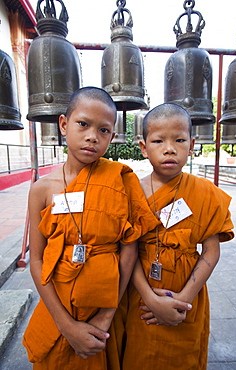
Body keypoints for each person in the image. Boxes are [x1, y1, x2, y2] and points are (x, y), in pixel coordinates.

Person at [22, 86, 159, 369]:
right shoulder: (42, 190)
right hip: (58, 308)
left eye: (104, 130)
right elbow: (36, 260)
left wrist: (106, 316)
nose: (92, 137)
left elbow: (129, 249)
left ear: (112, 135)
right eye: (83, 124)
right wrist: (66, 325)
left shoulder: (120, 179)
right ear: (63, 124)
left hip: (105, 309)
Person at [122, 103, 234, 370]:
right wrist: (150, 299)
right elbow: (128, 249)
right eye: (158, 140)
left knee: (183, 358)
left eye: (179, 139)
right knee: (138, 357)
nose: (169, 148)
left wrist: (183, 298)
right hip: (139, 299)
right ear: (143, 147)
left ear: (192, 144)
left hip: (187, 298)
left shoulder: (206, 193)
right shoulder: (131, 191)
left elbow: (211, 251)